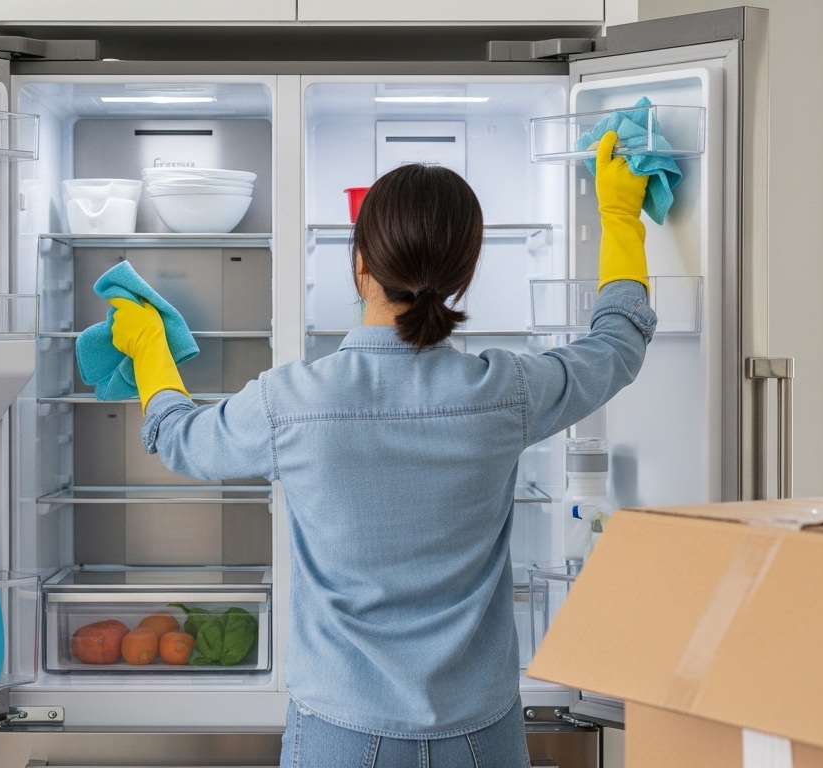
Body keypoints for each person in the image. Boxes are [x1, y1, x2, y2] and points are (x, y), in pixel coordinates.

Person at [107, 130, 656, 767]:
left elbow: (181, 441)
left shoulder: (296, 402)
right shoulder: (507, 393)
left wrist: (150, 346)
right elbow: (619, 345)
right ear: (461, 278)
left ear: (360, 263)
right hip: (479, 734)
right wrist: (620, 215)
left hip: (342, 732)